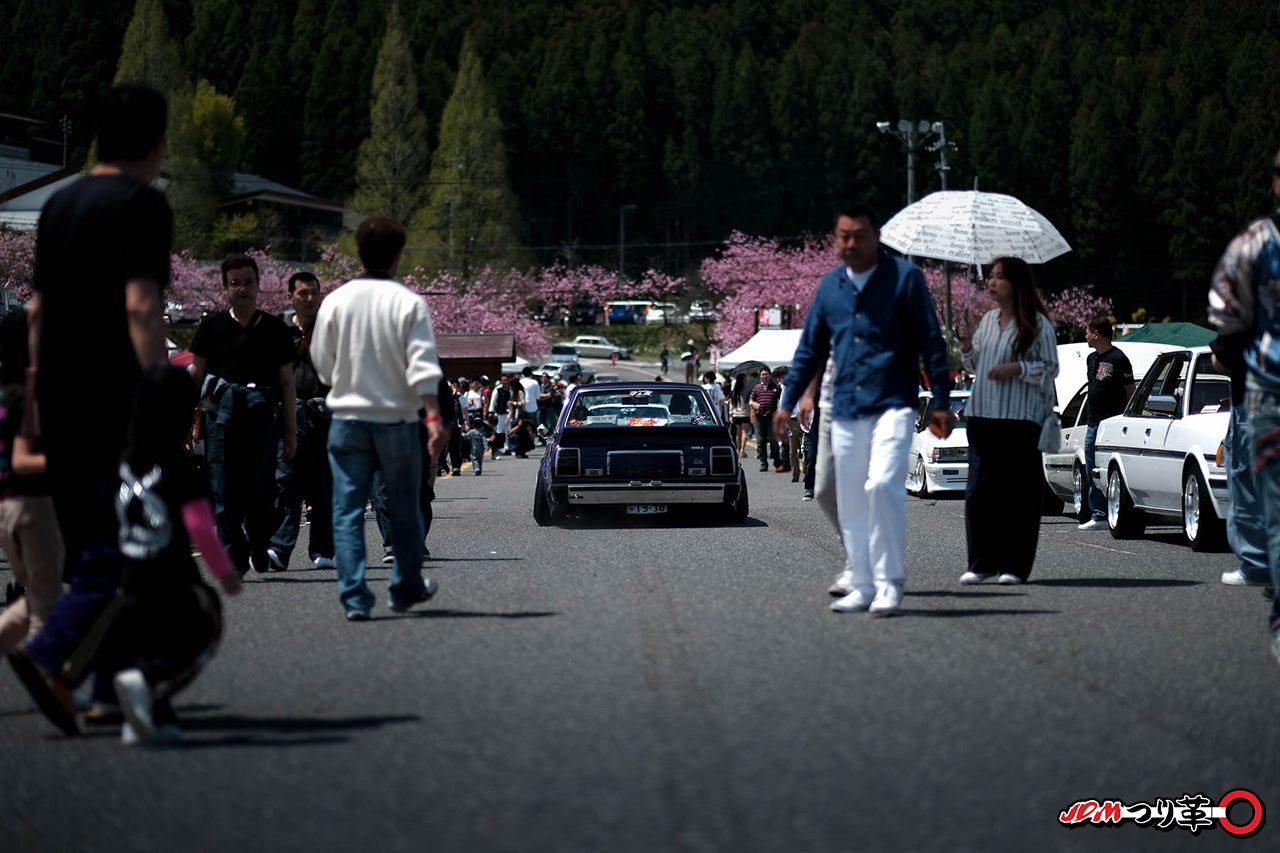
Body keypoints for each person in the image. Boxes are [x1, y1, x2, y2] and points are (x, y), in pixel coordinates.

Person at [9, 84, 173, 735]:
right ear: (156, 143)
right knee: (124, 541)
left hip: (58, 395)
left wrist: (33, 401)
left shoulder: (60, 204)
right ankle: (50, 653)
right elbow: (140, 304)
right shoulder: (142, 204)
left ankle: (107, 686)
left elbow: (38, 310)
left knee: (86, 546)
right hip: (116, 397)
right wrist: (158, 384)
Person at [774, 205, 953, 616]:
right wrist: (787, 402)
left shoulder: (905, 279)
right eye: (843, 236)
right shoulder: (830, 286)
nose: (850, 244)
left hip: (893, 402)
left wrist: (942, 402)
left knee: (882, 484)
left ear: (876, 237)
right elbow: (809, 350)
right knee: (850, 495)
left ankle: (890, 583)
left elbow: (932, 344)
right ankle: (863, 581)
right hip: (845, 406)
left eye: (859, 235)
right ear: (835, 240)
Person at [310, 216, 446, 620]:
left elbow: (320, 362)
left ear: (358, 251)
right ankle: (404, 587)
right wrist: (434, 415)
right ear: (398, 255)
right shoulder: (408, 302)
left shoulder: (336, 300)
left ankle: (354, 597)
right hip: (398, 419)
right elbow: (423, 364)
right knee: (404, 507)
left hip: (347, 417)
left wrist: (344, 381)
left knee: (347, 509)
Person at [103, 365, 241, 744]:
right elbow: (199, 527)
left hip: (129, 576)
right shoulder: (180, 467)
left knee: (143, 642)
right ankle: (148, 685)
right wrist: (225, 573)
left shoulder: (123, 460)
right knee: (199, 631)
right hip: (174, 581)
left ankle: (148, 719)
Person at [1207, 144, 1280, 662]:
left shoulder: (1258, 241)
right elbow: (1226, 319)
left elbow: (1227, 320)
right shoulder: (1256, 242)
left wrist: (1236, 356)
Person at [190, 256, 298, 577]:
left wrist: (290, 431)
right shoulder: (211, 326)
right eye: (235, 283)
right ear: (224, 288)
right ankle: (234, 554)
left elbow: (288, 382)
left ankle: (259, 541)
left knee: (262, 488)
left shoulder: (276, 328)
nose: (242, 289)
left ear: (259, 284)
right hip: (219, 415)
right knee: (222, 488)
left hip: (262, 413)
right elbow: (196, 373)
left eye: (248, 282)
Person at [956, 257, 1059, 585]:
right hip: (983, 415)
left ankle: (1014, 566)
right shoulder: (987, 320)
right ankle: (982, 563)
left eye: (1000, 277)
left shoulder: (1037, 324)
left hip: (1020, 419)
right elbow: (973, 366)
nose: (991, 282)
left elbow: (1051, 367)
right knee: (978, 493)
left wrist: (1018, 368)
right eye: (990, 277)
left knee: (1018, 495)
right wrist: (967, 344)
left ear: (1016, 284)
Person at [0, 311, 64, 656]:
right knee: (46, 605)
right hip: (32, 506)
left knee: (37, 593)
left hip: (5, 510)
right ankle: (47, 675)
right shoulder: (29, 399)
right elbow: (23, 461)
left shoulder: (4, 395)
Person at [267, 272, 334, 571]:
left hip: (326, 416)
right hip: (289, 416)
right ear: (290, 297)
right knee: (286, 483)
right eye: (303, 294)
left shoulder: (332, 331)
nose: (309, 299)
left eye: (314, 293)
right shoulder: (279, 334)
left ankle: (322, 550)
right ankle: (280, 548)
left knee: (323, 486)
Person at [1077, 316, 1135, 530]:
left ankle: (1114, 512)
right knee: (1092, 470)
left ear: (1097, 334)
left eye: (1087, 331)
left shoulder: (1119, 358)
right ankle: (1099, 514)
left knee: (1112, 470)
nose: (1085, 336)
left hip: (1112, 423)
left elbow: (1130, 390)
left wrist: (1129, 417)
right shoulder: (1091, 359)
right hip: (1093, 423)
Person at [750, 367, 783, 472]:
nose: (765, 376)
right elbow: (750, 400)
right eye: (763, 374)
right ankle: (763, 463)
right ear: (760, 376)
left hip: (772, 417)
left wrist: (779, 410)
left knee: (774, 440)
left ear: (770, 375)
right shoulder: (756, 388)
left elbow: (781, 400)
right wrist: (754, 404)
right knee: (761, 441)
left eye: (766, 374)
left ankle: (777, 462)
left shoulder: (776, 387)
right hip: (760, 417)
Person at [728, 374, 751, 457]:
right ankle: (742, 450)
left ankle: (738, 450)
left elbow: (731, 404)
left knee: (738, 433)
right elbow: (749, 404)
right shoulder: (746, 391)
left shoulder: (734, 392)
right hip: (745, 413)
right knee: (744, 432)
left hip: (736, 414)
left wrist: (731, 413)